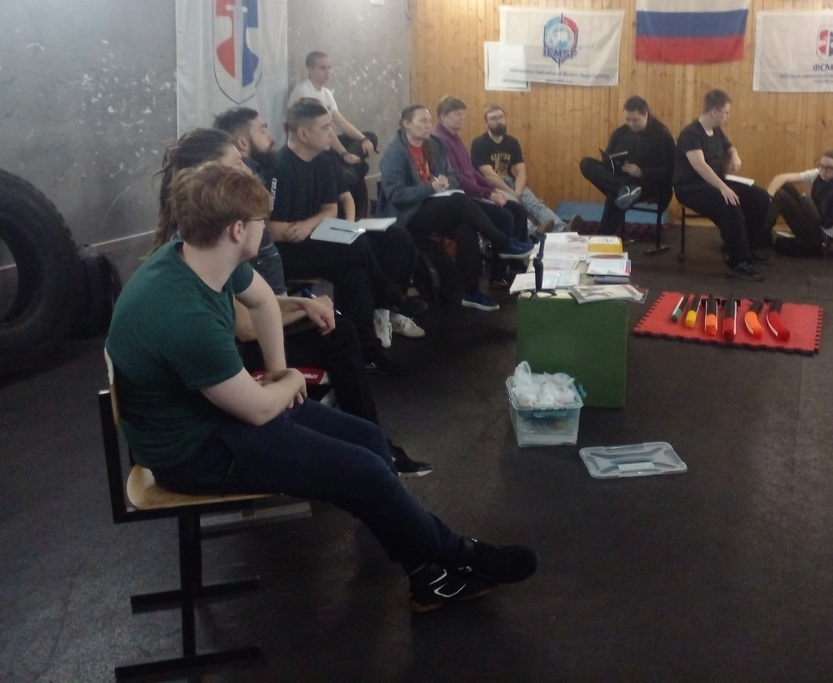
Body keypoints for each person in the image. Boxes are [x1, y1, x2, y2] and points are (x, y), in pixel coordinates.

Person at [109, 162, 537, 610]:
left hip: (213, 413)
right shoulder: (186, 316)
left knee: (370, 440)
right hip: (192, 451)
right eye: (261, 221)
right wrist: (292, 379)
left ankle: (423, 567)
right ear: (237, 230)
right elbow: (258, 410)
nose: (264, 229)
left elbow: (262, 302)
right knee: (364, 471)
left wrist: (278, 372)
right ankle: (456, 555)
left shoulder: (200, 254)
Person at [154, 127, 430, 476]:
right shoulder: (205, 240)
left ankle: (370, 443)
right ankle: (372, 451)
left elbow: (259, 298)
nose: (247, 170)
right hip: (231, 361)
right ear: (209, 175)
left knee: (347, 294)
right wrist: (285, 365)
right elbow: (244, 328)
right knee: (340, 334)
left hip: (252, 332)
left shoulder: (222, 226)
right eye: (236, 163)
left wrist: (304, 306)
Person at [215, 106, 425, 348]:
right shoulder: (277, 168)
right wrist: (312, 227)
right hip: (289, 250)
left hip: (317, 236)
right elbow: (275, 231)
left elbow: (330, 209)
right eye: (325, 128)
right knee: (355, 249)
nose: (331, 133)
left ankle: (375, 330)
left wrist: (308, 224)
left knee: (394, 239)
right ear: (304, 134)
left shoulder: (324, 160)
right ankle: (392, 299)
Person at [378, 105, 535, 311]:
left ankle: (471, 292)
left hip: (434, 205)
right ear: (406, 124)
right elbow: (395, 195)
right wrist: (430, 188)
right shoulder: (395, 153)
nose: (428, 125)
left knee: (465, 228)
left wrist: (444, 183)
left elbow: (453, 176)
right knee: (459, 201)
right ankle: (503, 242)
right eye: (422, 121)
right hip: (408, 214)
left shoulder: (434, 145)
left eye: (429, 121)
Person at [673, 89, 771, 282]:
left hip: (714, 182)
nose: (728, 116)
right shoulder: (690, 134)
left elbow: (729, 147)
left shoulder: (716, 130)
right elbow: (699, 165)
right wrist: (724, 188)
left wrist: (735, 155)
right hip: (691, 187)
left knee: (760, 197)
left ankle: (749, 248)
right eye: (726, 113)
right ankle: (738, 263)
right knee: (729, 203)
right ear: (714, 112)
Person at [288, 50, 380, 218]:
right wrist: (344, 153)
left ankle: (349, 169)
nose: (327, 72)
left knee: (370, 137)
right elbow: (325, 130)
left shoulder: (326, 93)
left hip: (328, 140)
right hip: (313, 145)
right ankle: (347, 169)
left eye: (329, 67)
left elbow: (340, 122)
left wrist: (364, 139)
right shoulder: (304, 92)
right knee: (356, 171)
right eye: (322, 68)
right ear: (309, 69)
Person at [430, 96, 534, 241]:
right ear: (443, 116)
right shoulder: (440, 141)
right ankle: (505, 252)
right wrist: (487, 193)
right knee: (507, 215)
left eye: (463, 114)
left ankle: (522, 247)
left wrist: (491, 189)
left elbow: (471, 170)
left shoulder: (455, 138)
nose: (463, 117)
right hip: (463, 196)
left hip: (475, 191)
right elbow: (458, 178)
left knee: (517, 208)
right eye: (458, 114)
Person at [578, 95, 676, 237]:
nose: (630, 124)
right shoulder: (621, 132)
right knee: (586, 163)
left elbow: (670, 170)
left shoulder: (662, 134)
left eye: (635, 120)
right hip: (622, 180)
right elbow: (607, 160)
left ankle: (604, 236)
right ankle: (622, 189)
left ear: (645, 114)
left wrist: (642, 172)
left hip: (650, 184)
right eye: (627, 119)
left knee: (616, 196)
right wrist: (611, 163)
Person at [471, 104, 569, 233]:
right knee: (512, 205)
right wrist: (512, 194)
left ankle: (561, 228)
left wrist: (517, 192)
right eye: (493, 118)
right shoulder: (479, 143)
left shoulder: (512, 142)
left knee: (533, 202)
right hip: (490, 185)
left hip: (510, 182)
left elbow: (521, 171)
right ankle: (533, 232)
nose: (499, 121)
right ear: (486, 123)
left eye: (501, 117)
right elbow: (489, 175)